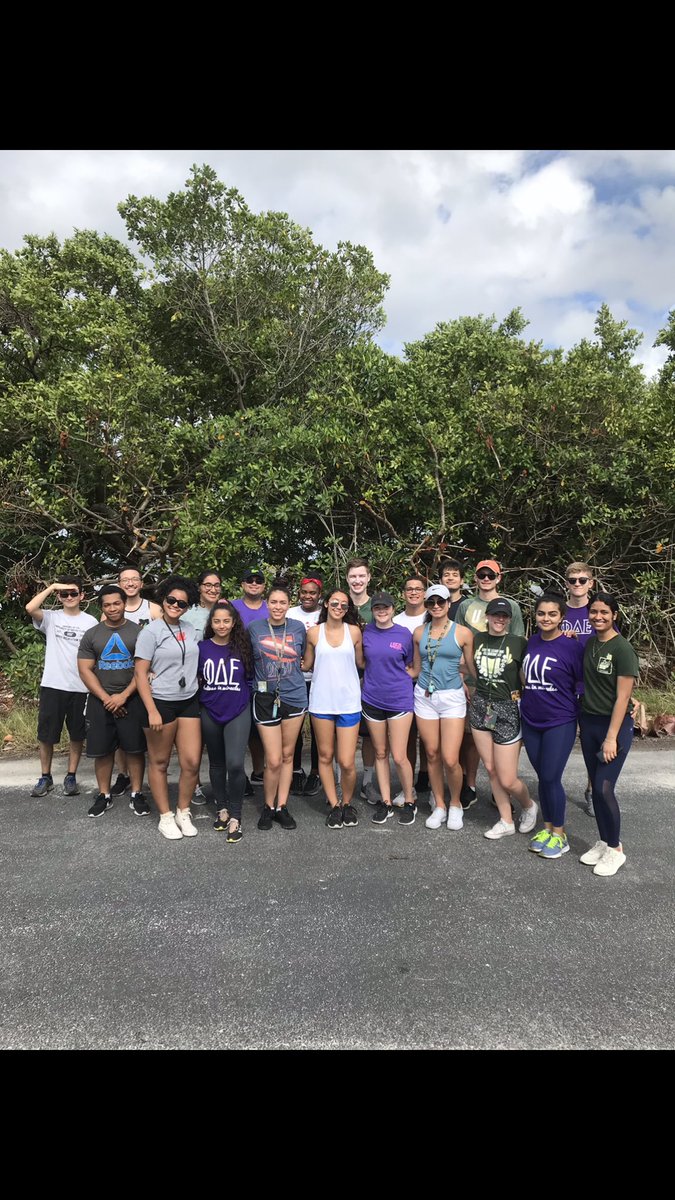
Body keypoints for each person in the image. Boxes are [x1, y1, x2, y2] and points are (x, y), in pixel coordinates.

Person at [134, 576, 202, 841]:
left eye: (182, 603)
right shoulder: (151, 632)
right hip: (160, 701)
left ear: (188, 606)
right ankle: (165, 816)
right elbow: (140, 673)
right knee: (160, 761)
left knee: (191, 761)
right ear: (162, 600)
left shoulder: (190, 628)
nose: (175, 605)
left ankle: (183, 811)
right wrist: (151, 709)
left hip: (188, 700)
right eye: (171, 600)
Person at [456, 558, 525, 810]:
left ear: (499, 577)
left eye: (490, 574)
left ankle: (503, 789)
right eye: (481, 574)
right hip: (475, 681)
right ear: (475, 577)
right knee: (473, 739)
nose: (486, 578)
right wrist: (462, 677)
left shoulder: (511, 607)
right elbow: (461, 645)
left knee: (506, 739)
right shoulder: (466, 606)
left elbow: (518, 647)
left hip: (504, 686)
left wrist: (519, 689)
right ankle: (471, 785)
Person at [577, 593, 638, 877]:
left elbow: (623, 698)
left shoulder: (623, 649)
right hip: (588, 722)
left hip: (613, 727)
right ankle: (602, 841)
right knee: (596, 786)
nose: (598, 617)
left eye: (604, 612)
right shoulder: (590, 643)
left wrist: (611, 737)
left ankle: (615, 849)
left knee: (603, 788)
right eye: (593, 612)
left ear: (614, 614)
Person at [520, 593, 585, 858]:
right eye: (541, 614)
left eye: (552, 614)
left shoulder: (573, 646)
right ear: (535, 616)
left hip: (560, 720)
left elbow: (582, 684)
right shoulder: (532, 641)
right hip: (532, 719)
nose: (546, 618)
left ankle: (560, 835)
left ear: (561, 617)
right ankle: (547, 828)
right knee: (542, 778)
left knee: (550, 776)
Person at [77, 585, 150, 817]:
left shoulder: (140, 632)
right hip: (101, 701)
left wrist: (124, 696)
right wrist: (107, 698)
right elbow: (85, 670)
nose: (112, 608)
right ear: (102, 607)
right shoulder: (92, 634)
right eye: (107, 604)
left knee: (135, 749)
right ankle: (104, 795)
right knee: (102, 751)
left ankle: (136, 793)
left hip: (132, 699)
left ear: (124, 604)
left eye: (116, 603)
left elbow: (144, 670)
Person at [469, 598, 538, 840]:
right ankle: (506, 819)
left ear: (510, 619)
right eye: (495, 614)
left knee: (507, 777)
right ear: (487, 616)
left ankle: (529, 805)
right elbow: (466, 667)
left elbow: (531, 674)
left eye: (504, 616)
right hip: (482, 707)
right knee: (489, 768)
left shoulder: (519, 642)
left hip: (507, 709)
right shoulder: (476, 639)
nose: (499, 619)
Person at [25, 576, 98, 798]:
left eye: (73, 593)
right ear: (59, 596)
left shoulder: (91, 622)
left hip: (80, 686)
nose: (68, 597)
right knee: (46, 735)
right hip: (53, 684)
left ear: (82, 596)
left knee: (77, 734)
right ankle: (45, 776)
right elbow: (30, 607)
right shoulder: (51, 618)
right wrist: (53, 587)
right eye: (64, 594)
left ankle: (71, 775)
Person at [412, 584, 476, 832]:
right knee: (432, 754)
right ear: (426, 606)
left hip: (451, 697)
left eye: (441, 602)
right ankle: (439, 804)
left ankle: (456, 804)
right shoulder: (419, 632)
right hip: (425, 696)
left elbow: (470, 669)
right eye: (431, 602)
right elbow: (416, 669)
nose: (436, 606)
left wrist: (480, 688)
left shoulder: (463, 633)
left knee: (450, 758)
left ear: (449, 603)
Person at [302, 589, 364, 828]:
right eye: (335, 603)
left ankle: (347, 803)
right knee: (325, 757)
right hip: (321, 702)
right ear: (326, 603)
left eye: (344, 605)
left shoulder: (355, 632)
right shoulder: (313, 632)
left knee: (347, 761)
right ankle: (334, 805)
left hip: (349, 702)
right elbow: (307, 665)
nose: (339, 607)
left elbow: (361, 663)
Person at [249, 583, 307, 831]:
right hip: (265, 698)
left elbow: (303, 659)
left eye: (283, 602)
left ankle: (281, 806)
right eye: (273, 602)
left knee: (287, 756)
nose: (278, 607)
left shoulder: (298, 628)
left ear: (288, 604)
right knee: (272, 759)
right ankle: (267, 805)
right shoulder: (254, 629)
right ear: (267, 603)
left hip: (294, 696)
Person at [198, 601, 252, 844]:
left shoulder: (242, 647)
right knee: (217, 763)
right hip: (209, 709)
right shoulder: (201, 648)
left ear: (233, 623)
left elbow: (250, 678)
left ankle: (236, 815)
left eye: (226, 621)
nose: (221, 625)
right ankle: (222, 808)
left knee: (235, 764)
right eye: (217, 621)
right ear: (211, 623)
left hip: (237, 710)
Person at [363, 592, 417, 826]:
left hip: (399, 700)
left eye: (385, 607)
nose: (381, 611)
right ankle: (386, 802)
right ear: (373, 610)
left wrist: (403, 678)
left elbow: (413, 666)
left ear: (393, 609)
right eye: (377, 608)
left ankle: (409, 799)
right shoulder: (366, 632)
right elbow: (361, 661)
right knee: (380, 753)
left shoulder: (404, 634)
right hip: (372, 699)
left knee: (399, 755)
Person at [107, 565, 160, 797]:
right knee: (121, 734)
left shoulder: (154, 609)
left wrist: (155, 669)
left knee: (148, 730)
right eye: (125, 580)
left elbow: (163, 641)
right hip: (121, 679)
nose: (129, 583)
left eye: (134, 579)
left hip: (147, 680)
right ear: (119, 584)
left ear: (141, 582)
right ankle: (123, 774)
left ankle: (155, 775)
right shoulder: (111, 609)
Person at [561, 560, 597, 814]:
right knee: (559, 742)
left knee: (591, 743)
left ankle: (593, 789)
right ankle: (551, 788)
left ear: (590, 583)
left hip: (590, 686)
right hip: (562, 687)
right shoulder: (558, 612)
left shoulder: (597, 611)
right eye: (573, 581)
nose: (577, 585)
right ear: (566, 584)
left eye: (582, 580)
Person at [230, 567, 268, 791]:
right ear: (242, 584)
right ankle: (237, 774)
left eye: (258, 580)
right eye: (249, 580)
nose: (254, 583)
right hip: (236, 674)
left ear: (264, 585)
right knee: (238, 727)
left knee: (258, 727)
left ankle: (259, 771)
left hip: (264, 675)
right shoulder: (231, 606)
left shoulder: (270, 607)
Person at [287, 576, 323, 797]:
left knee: (320, 729)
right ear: (299, 593)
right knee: (295, 728)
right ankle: (296, 768)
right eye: (304, 592)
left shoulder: (324, 614)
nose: (308, 596)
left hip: (321, 679)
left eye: (313, 593)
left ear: (319, 595)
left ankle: (317, 772)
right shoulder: (291, 614)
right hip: (296, 679)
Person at [393, 574, 429, 797]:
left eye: (418, 588)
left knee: (428, 736)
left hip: (429, 684)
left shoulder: (433, 614)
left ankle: (426, 775)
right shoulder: (396, 620)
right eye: (409, 589)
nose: (414, 592)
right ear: (404, 593)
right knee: (407, 735)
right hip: (404, 683)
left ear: (424, 592)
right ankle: (409, 783)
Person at [346, 557, 377, 801]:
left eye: (361, 576)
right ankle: (339, 783)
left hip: (370, 681)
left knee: (368, 736)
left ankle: (367, 782)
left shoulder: (377, 607)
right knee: (341, 734)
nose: (357, 580)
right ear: (347, 579)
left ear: (368, 578)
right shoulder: (339, 605)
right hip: (343, 680)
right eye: (353, 576)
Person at [183, 570, 222, 641]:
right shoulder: (186, 613)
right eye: (208, 585)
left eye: (216, 585)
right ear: (199, 587)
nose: (213, 590)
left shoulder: (225, 611)